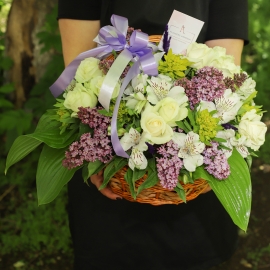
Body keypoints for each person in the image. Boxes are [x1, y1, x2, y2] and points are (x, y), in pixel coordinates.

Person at [57, 1, 249, 269]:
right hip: (108, 162)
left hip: (190, 180)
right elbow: (77, 69)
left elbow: (226, 71)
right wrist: (97, 151)